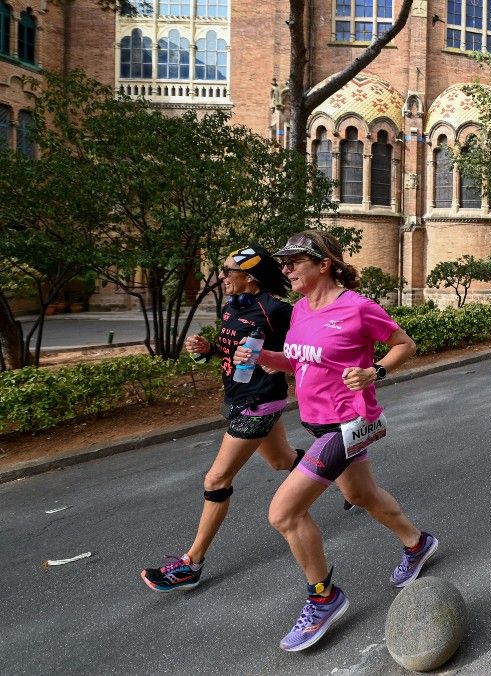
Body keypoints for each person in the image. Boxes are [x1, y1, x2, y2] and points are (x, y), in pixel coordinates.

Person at [240, 230, 438, 652]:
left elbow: (406, 343)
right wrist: (262, 358)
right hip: (315, 423)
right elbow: (298, 362)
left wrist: (375, 372)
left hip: (346, 424)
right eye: (284, 263)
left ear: (323, 264)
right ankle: (418, 543)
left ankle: (323, 598)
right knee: (362, 494)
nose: (286, 269)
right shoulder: (299, 311)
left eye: (294, 262)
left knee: (284, 512)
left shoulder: (357, 308)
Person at [140, 246, 297, 592]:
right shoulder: (231, 307)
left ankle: (191, 564)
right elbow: (231, 352)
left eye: (228, 271)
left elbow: (304, 352)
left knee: (215, 480)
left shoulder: (276, 311)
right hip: (237, 398)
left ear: (251, 277)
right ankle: (340, 470)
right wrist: (206, 352)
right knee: (281, 460)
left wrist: (273, 359)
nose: (221, 277)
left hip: (259, 404)